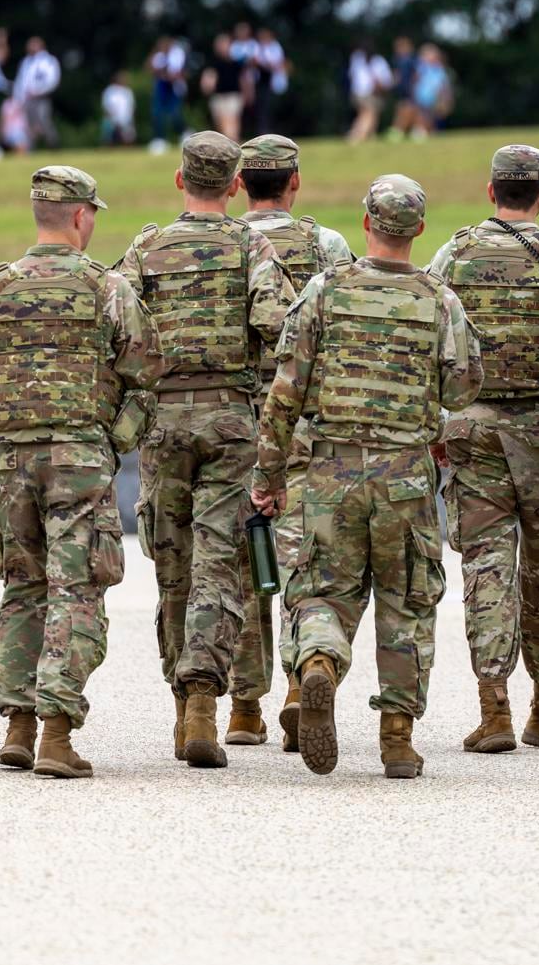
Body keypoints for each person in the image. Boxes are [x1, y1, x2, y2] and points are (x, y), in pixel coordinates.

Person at [250, 174, 482, 779]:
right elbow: (463, 387)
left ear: (366, 223)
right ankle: (398, 737)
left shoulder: (325, 290)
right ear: (419, 230)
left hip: (330, 470)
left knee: (323, 587)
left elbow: (285, 393)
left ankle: (321, 662)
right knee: (407, 601)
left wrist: (269, 474)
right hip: (405, 473)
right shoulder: (439, 299)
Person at [0, 166, 164, 778]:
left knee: (23, 588)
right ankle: (55, 734)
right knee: (77, 589)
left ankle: (17, 725)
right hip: (79, 460)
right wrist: (114, 440)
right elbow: (146, 374)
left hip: (12, 459)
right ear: (79, 216)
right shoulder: (106, 289)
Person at [115, 133, 294, 768]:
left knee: (172, 566)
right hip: (229, 421)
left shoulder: (147, 247)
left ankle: (179, 702)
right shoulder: (252, 246)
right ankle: (202, 701)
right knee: (220, 562)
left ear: (179, 179)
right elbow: (282, 329)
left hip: (163, 420)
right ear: (235, 184)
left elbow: (117, 327)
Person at [426, 145, 539, 756]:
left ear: (491, 191)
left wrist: (437, 422)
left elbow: (428, 338)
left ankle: (493, 707)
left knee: (486, 568)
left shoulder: (453, 255)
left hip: (473, 432)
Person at [233, 134, 357, 751]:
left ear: (238, 184)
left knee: (240, 561)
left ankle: (241, 706)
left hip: (233, 419)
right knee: (300, 557)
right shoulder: (325, 245)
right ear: (295, 182)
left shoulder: (225, 245)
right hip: (302, 424)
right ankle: (295, 682)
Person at [17, 37, 62, 148]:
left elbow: (53, 79)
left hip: (42, 97)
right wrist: (19, 98)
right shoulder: (26, 62)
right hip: (28, 99)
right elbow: (21, 81)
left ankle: (53, 145)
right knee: (29, 125)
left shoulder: (48, 61)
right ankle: (31, 149)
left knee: (44, 122)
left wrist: (40, 91)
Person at [402, 42, 453, 140]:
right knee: (421, 115)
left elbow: (444, 85)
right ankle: (420, 130)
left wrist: (446, 97)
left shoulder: (439, 69)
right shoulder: (421, 67)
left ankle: (428, 131)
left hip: (434, 98)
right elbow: (414, 81)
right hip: (421, 96)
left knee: (431, 117)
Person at [345, 39, 390, 144]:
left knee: (364, 115)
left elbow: (351, 75)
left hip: (356, 93)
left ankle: (367, 136)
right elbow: (385, 80)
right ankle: (358, 136)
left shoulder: (355, 58)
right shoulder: (378, 61)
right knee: (369, 115)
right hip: (370, 93)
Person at [201, 33, 246, 140]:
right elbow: (207, 80)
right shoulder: (212, 63)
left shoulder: (236, 62)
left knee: (231, 122)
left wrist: (246, 93)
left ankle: (233, 145)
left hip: (233, 96)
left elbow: (243, 79)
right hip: (218, 97)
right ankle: (229, 146)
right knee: (221, 125)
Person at [148, 36, 188, 153]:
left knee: (175, 114)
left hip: (173, 88)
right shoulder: (158, 56)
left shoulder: (177, 54)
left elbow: (175, 74)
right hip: (161, 89)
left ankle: (184, 133)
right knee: (157, 114)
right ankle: (159, 139)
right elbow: (151, 69)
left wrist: (163, 73)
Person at [252, 27, 289, 134]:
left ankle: (274, 129)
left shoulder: (275, 47)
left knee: (272, 107)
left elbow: (279, 63)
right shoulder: (257, 47)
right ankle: (263, 130)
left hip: (273, 81)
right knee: (262, 108)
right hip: (261, 81)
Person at [100, 71, 137, 146]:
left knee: (128, 139)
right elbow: (106, 105)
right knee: (108, 139)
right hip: (111, 119)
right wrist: (112, 118)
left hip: (126, 119)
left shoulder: (127, 91)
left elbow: (132, 106)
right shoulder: (110, 90)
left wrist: (130, 118)